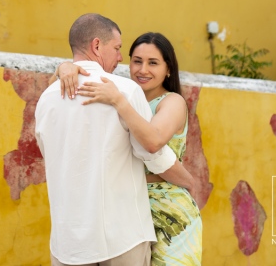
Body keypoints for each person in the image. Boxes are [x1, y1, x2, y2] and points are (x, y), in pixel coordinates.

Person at [35, 14, 194, 266]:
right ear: (97, 46)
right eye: (119, 49)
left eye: (153, 62)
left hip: (69, 244)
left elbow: (51, 154)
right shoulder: (124, 90)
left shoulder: (47, 97)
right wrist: (187, 179)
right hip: (121, 236)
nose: (121, 58)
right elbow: (151, 150)